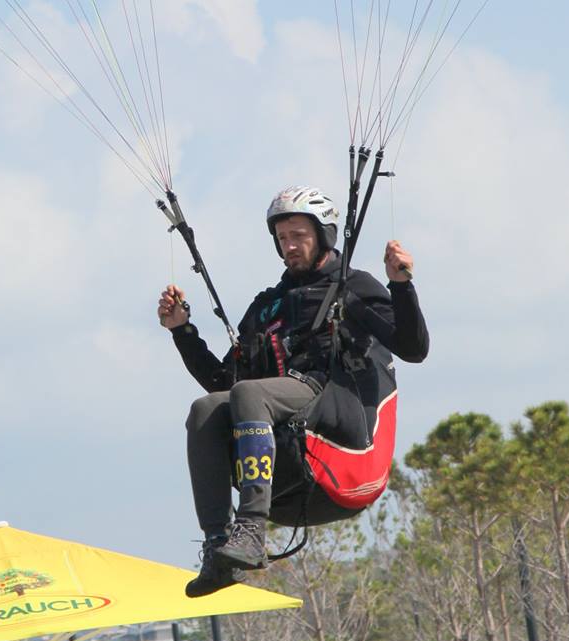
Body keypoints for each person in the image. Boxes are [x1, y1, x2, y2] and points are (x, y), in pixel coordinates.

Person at [158, 186, 429, 598]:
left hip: (339, 423)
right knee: (205, 409)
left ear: (324, 235)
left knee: (249, 394)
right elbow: (223, 385)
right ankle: (218, 547)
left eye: (299, 236)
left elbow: (413, 348)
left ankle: (251, 529)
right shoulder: (268, 307)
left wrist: (401, 285)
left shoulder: (352, 286)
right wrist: (182, 332)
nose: (289, 246)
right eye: (283, 238)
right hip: (291, 453)